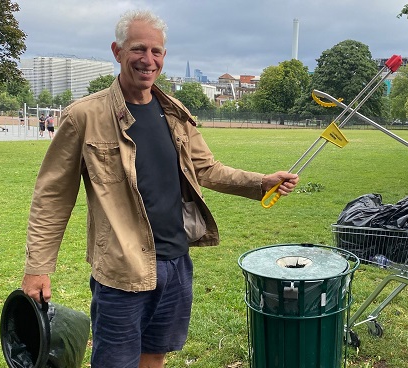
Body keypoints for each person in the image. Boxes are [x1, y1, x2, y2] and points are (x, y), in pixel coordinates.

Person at [20, 9, 298, 368]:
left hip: (175, 264)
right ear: (117, 51)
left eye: (157, 51)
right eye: (138, 49)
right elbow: (52, 196)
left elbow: (206, 169)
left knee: (155, 355)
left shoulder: (175, 113)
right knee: (116, 363)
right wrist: (38, 267)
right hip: (122, 271)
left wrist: (262, 183)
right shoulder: (84, 117)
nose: (148, 60)